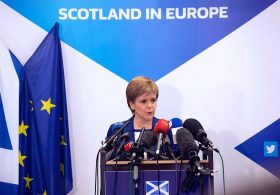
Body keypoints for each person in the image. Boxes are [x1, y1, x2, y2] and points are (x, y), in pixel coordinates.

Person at [106, 76, 174, 160]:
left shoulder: (166, 128)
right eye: (143, 101)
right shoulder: (118, 130)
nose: (150, 106)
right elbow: (107, 164)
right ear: (132, 104)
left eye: (153, 100)